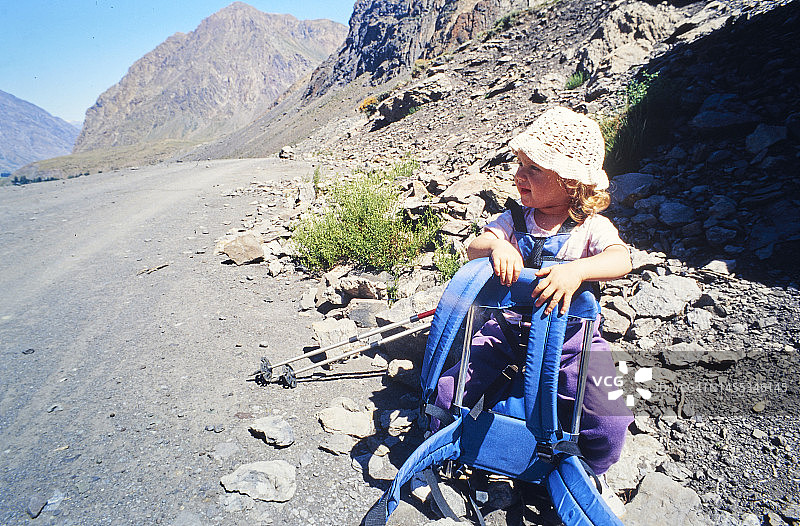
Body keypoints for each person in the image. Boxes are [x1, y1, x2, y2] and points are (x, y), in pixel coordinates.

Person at [433, 107, 633, 492]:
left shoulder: (590, 227)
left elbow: (620, 258)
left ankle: (588, 467)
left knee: (611, 416)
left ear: (571, 182)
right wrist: (496, 246)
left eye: (534, 170)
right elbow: (474, 244)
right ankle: (444, 442)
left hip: (572, 340)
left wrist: (577, 271)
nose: (518, 176)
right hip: (505, 331)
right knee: (448, 389)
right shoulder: (514, 218)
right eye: (520, 165)